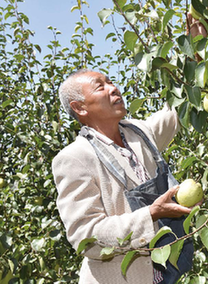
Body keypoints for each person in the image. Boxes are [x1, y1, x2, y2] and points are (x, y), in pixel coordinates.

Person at [52, 69, 194, 284]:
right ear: (79, 107)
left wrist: (194, 58)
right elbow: (86, 236)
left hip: (165, 274)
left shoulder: (139, 132)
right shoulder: (75, 158)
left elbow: (178, 108)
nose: (113, 88)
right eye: (100, 87)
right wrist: (151, 214)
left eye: (111, 82)